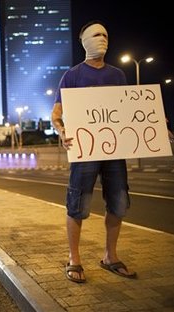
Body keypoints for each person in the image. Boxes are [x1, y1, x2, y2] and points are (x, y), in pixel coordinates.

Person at [51, 20, 137, 283]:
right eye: (95, 34)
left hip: (114, 153)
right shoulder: (73, 75)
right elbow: (56, 114)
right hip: (84, 151)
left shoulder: (118, 75)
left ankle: (110, 255)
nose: (102, 39)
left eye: (105, 34)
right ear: (84, 41)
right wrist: (61, 131)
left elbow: (129, 111)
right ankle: (74, 258)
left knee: (119, 203)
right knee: (78, 205)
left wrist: (155, 124)